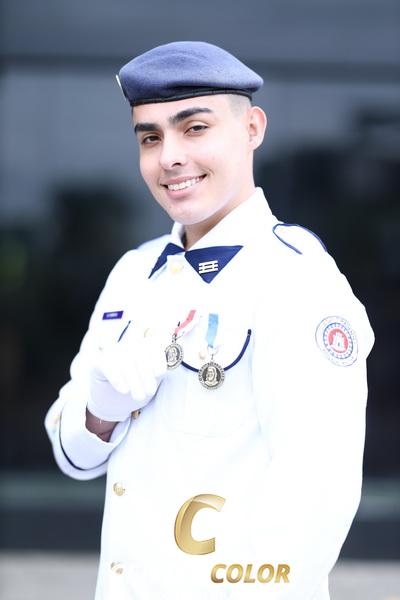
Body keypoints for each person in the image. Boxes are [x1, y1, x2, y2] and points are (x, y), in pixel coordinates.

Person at [45, 41, 374, 599]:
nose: (169, 157)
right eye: (150, 138)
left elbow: (315, 500)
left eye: (194, 128)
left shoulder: (294, 279)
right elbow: (72, 456)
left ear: (252, 129)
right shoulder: (135, 272)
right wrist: (101, 415)